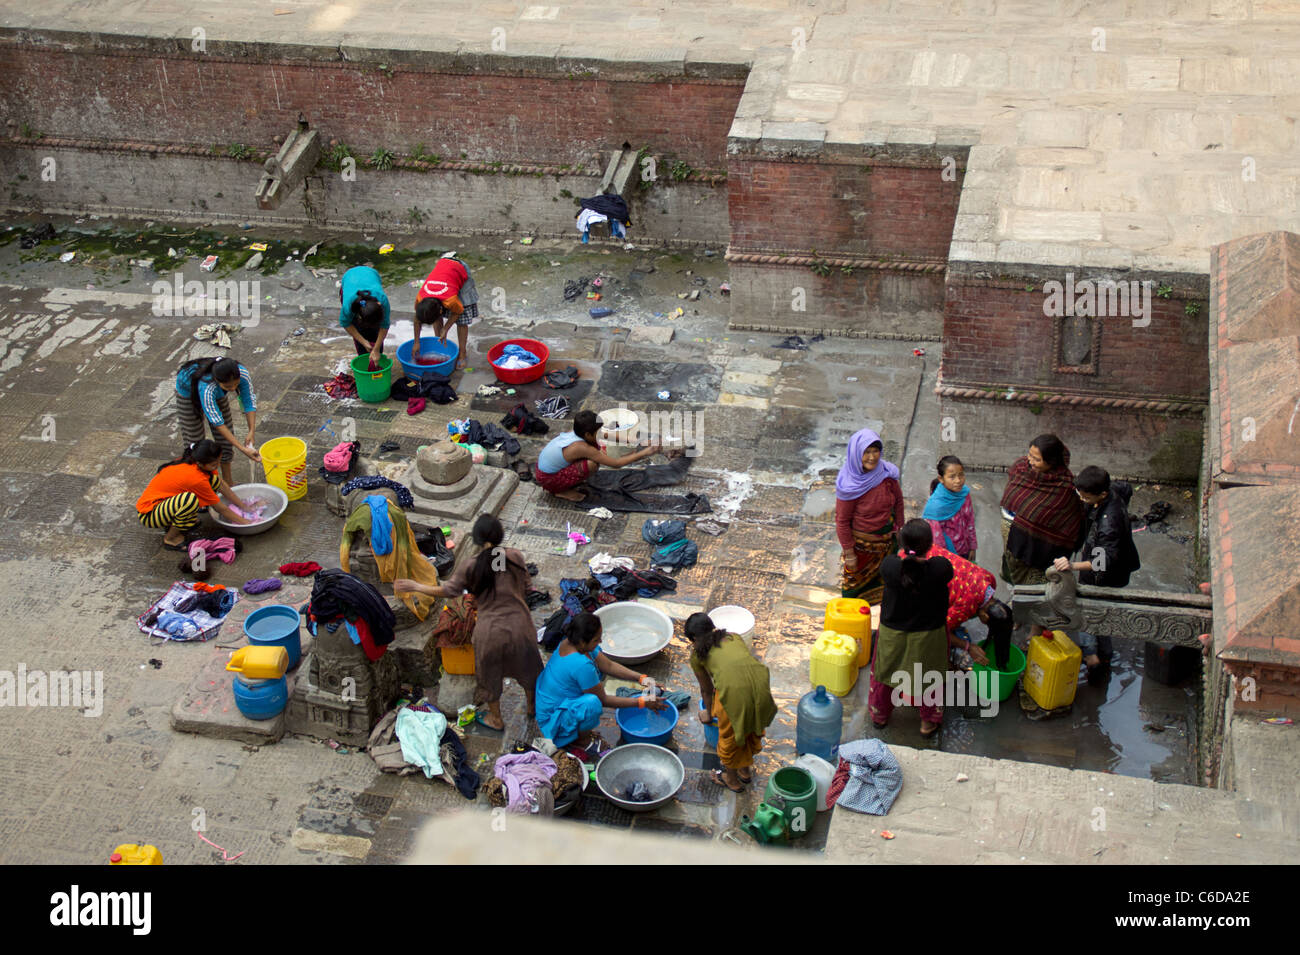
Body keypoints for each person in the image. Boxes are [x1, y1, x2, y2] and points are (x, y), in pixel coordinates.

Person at [394, 515, 541, 731]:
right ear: (500, 535)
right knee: (529, 668)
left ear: (477, 540)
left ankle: (496, 718)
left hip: (489, 632)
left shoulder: (470, 566)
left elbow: (447, 591)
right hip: (520, 625)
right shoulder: (514, 557)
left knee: (490, 675)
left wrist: (416, 586)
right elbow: (527, 588)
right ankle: (531, 707)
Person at [1053, 465, 1141, 678]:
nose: (1082, 500)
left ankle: (1093, 657)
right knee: (1101, 612)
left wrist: (1071, 565)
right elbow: (1127, 488)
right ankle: (1105, 655)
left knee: (1087, 608)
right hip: (1117, 564)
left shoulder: (1109, 524)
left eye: (1085, 498)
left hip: (1106, 573)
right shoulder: (1115, 490)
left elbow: (1101, 563)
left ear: (1102, 494)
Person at [534, 612, 666, 749]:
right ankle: (580, 740)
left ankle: (576, 729)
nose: (600, 641)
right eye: (596, 640)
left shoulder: (571, 642)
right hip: (552, 719)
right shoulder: (581, 665)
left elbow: (608, 665)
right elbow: (603, 700)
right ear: (582, 642)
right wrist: (642, 702)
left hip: (550, 701)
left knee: (593, 689)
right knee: (592, 704)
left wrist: (641, 678)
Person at [870, 519, 953, 737]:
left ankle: (880, 715)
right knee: (929, 678)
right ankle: (927, 723)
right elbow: (935, 567)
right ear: (930, 544)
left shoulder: (890, 567)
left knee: (885, 673)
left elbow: (902, 565)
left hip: (892, 634)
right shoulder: (940, 569)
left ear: (901, 544)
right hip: (929, 635)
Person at [686, 613, 776, 792]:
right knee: (748, 727)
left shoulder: (698, 657)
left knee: (730, 737)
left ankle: (731, 779)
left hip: (735, 695)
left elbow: (707, 690)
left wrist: (709, 714)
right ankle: (744, 770)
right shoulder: (732, 637)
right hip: (760, 687)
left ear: (694, 639)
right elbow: (738, 666)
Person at [999, 433, 1084, 586]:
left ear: (1051, 461)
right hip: (1010, 536)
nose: (1030, 461)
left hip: (1038, 547)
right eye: (1029, 454)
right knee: (1012, 568)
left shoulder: (1064, 487)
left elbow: (1070, 523)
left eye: (1037, 459)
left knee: (1032, 585)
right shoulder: (1020, 467)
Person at [136, 440, 250, 549]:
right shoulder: (195, 477)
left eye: (219, 461)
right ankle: (170, 538)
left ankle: (179, 520)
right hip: (149, 514)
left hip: (165, 503)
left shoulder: (196, 461)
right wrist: (247, 523)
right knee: (189, 501)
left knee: (214, 480)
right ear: (201, 463)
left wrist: (244, 506)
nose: (218, 465)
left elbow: (221, 484)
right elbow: (221, 508)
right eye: (215, 464)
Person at [835, 428, 905, 605]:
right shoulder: (849, 485)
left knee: (889, 586)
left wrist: (899, 527)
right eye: (866, 452)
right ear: (856, 453)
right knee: (853, 591)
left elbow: (898, 502)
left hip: (887, 543)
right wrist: (850, 554)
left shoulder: (886, 475)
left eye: (875, 451)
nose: (872, 457)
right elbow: (842, 522)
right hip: (861, 550)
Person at [533, 410, 663, 502]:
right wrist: (645, 452)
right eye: (598, 432)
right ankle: (560, 491)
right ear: (588, 434)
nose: (601, 433)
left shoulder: (578, 432)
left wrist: (642, 442)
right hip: (547, 479)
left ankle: (567, 481)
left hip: (542, 469)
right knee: (592, 465)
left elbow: (608, 435)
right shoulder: (580, 447)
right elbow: (616, 463)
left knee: (595, 454)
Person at [175, 356, 260, 487]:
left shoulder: (242, 374)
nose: (233, 388)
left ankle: (228, 481)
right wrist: (243, 449)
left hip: (217, 392)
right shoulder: (208, 386)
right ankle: (201, 483)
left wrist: (251, 431)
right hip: (188, 392)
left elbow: (248, 401)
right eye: (228, 386)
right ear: (217, 381)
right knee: (195, 442)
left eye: (236, 384)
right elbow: (217, 423)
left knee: (225, 440)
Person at [414, 252, 479, 370]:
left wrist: (446, 328)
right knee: (432, 315)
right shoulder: (421, 298)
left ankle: (462, 353)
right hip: (443, 268)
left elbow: (458, 311)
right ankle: (439, 344)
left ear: (440, 311)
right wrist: (416, 342)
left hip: (458, 269)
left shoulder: (451, 300)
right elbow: (417, 320)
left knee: (462, 320)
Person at [923, 455, 976, 562]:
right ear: (941, 479)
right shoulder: (935, 507)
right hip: (947, 555)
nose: (958, 480)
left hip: (965, 549)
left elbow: (970, 520)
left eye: (961, 475)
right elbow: (936, 540)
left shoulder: (964, 493)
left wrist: (972, 547)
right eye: (952, 477)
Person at [338, 265, 391, 365]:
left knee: (375, 334)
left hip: (370, 274)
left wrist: (376, 348)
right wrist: (363, 341)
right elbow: (346, 324)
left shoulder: (382, 300)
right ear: (358, 315)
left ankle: (375, 351)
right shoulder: (348, 306)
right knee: (360, 332)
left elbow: (384, 326)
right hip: (350, 278)